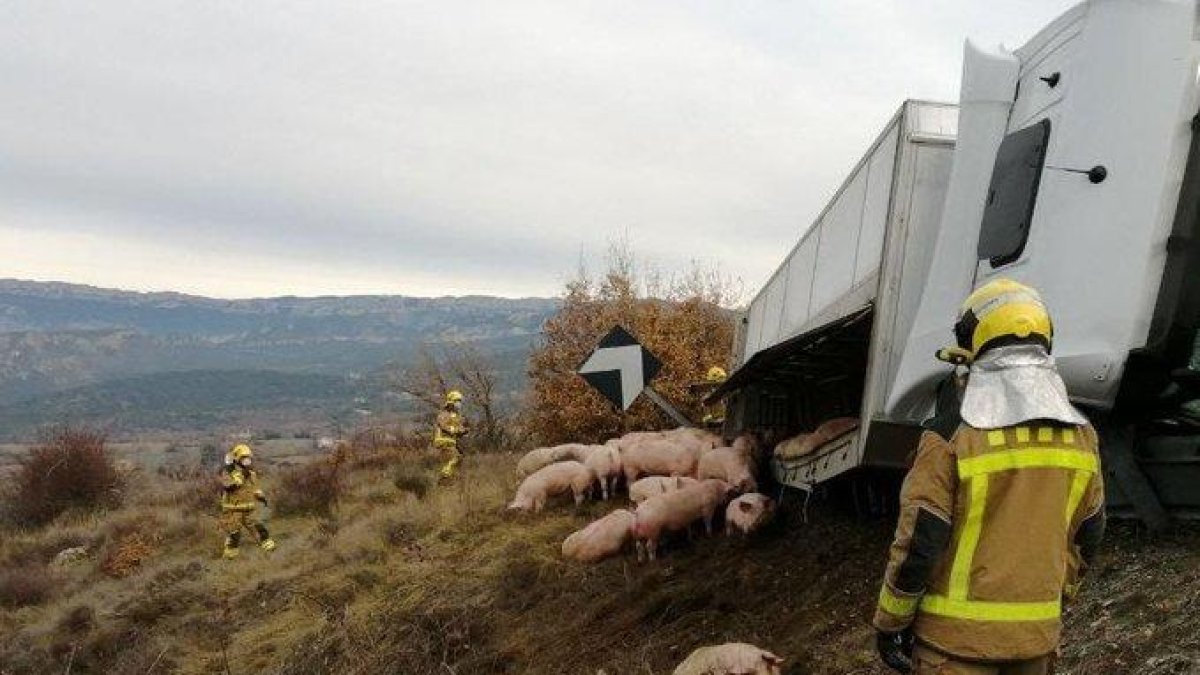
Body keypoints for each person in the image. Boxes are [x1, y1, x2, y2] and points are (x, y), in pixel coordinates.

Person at [873, 279, 1105, 674]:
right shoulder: (1083, 437)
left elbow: (921, 541)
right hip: (1036, 643)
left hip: (954, 646)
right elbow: (1089, 534)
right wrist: (1055, 603)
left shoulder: (949, 437)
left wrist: (890, 622)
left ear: (973, 345)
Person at [219, 444, 276, 559]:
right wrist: (240, 477)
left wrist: (261, 496)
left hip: (249, 508)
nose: (247, 461)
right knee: (234, 534)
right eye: (244, 458)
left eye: (248, 458)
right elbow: (228, 486)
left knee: (259, 528)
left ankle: (269, 550)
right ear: (237, 459)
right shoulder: (228, 472)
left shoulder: (251, 474)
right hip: (232, 510)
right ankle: (230, 557)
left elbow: (254, 488)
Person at [433, 390, 469, 482]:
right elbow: (444, 426)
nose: (459, 404)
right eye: (457, 401)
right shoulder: (444, 414)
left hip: (452, 441)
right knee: (455, 457)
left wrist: (464, 431)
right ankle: (444, 475)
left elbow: (460, 428)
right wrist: (456, 430)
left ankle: (452, 478)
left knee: (459, 458)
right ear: (451, 402)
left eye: (460, 401)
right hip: (442, 439)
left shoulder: (457, 416)